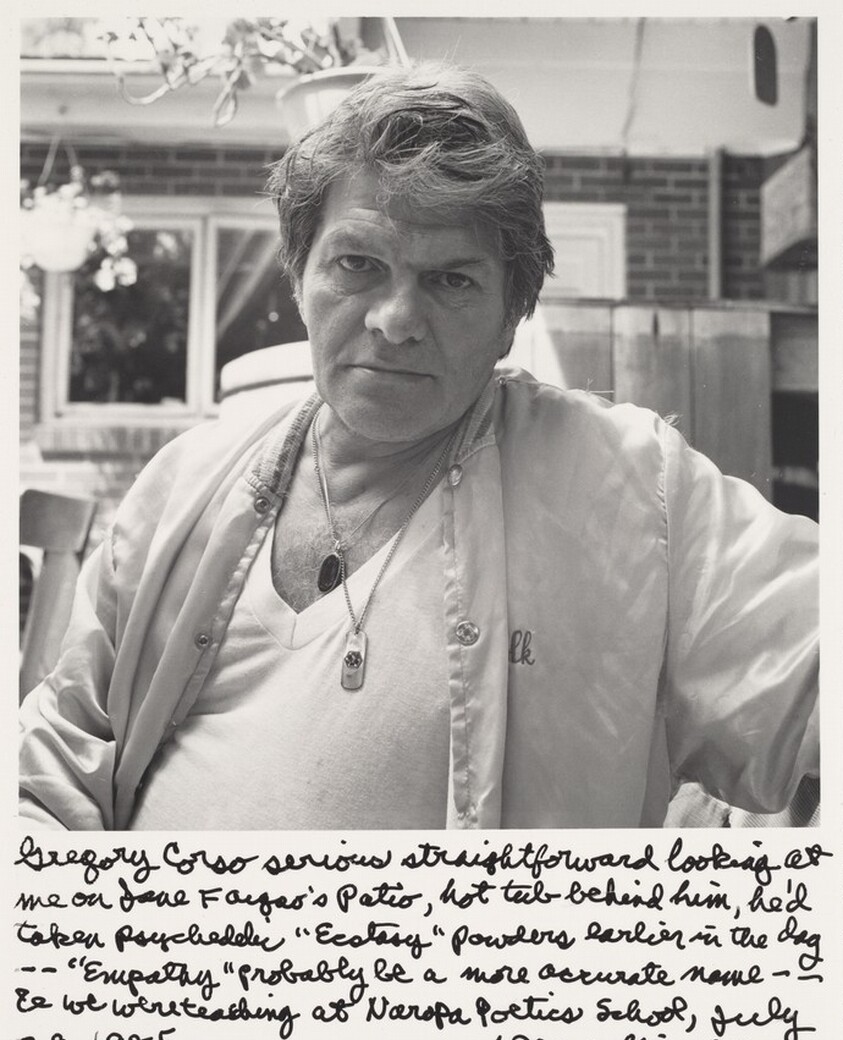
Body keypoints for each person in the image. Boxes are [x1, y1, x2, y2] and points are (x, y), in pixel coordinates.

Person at [19, 63, 818, 831]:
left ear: (514, 312)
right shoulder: (180, 486)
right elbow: (54, 761)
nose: (395, 318)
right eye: (357, 264)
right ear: (298, 276)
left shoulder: (635, 494)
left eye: (450, 280)